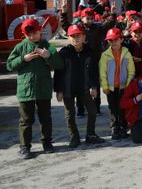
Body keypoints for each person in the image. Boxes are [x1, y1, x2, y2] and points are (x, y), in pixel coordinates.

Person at [7, 18, 63, 159]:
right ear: (25, 35)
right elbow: (9, 65)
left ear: (40, 31)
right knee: (26, 120)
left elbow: (59, 64)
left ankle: (47, 143)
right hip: (25, 91)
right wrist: (23, 59)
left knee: (46, 119)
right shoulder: (20, 47)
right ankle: (25, 147)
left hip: (43, 89)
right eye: (29, 34)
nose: (32, 37)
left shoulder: (47, 45)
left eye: (35, 33)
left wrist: (48, 55)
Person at [54, 24, 105, 148]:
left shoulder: (89, 52)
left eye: (78, 36)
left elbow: (93, 71)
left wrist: (94, 86)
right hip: (68, 89)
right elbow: (58, 73)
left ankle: (90, 135)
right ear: (69, 38)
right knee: (69, 114)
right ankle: (74, 137)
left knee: (92, 111)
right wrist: (58, 90)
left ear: (84, 37)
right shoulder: (64, 53)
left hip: (84, 88)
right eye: (73, 36)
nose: (76, 38)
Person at [99, 28, 135, 140]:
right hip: (111, 88)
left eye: (115, 40)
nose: (113, 42)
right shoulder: (105, 55)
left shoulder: (127, 54)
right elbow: (102, 73)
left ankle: (123, 127)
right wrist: (104, 86)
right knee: (113, 108)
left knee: (122, 108)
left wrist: (128, 84)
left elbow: (131, 71)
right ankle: (114, 128)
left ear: (121, 39)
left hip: (123, 87)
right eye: (110, 41)